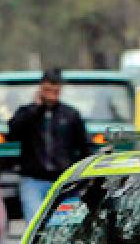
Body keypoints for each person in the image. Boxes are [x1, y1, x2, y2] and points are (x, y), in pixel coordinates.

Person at [8, 68, 90, 219]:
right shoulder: (27, 112)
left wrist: (80, 178)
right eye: (47, 90)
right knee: (34, 220)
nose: (51, 94)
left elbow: (84, 147)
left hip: (64, 179)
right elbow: (13, 133)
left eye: (55, 90)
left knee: (67, 222)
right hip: (34, 179)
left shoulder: (70, 114)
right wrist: (35, 107)